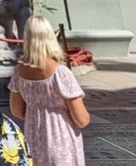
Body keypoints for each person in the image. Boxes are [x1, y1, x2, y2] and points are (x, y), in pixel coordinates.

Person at [9, 15, 89, 166]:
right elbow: (81, 119)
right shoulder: (60, 73)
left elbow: (16, 110)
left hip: (33, 135)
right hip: (61, 137)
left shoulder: (19, 71)